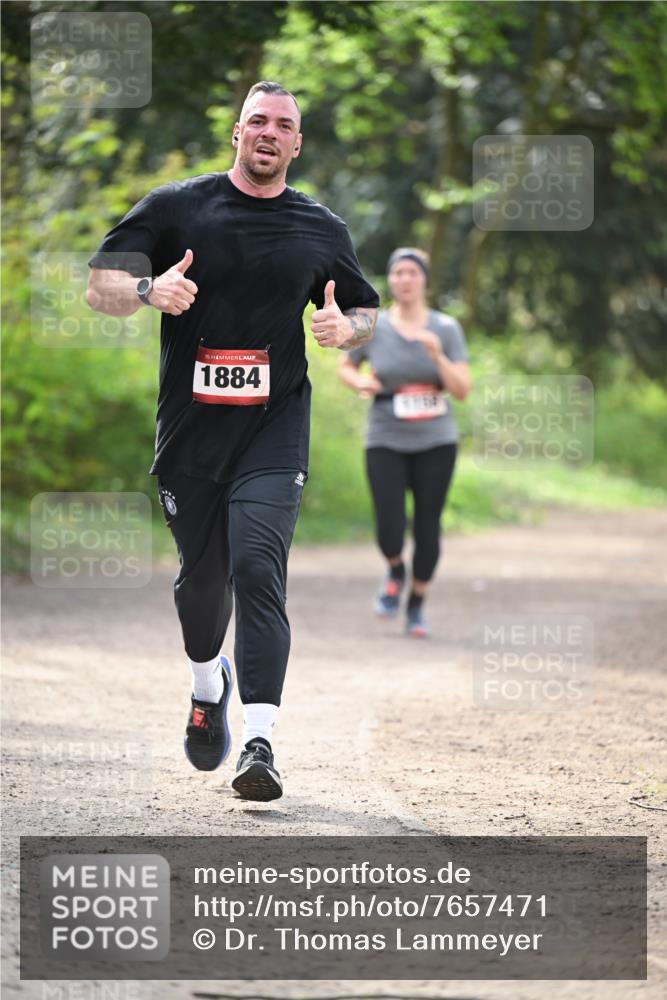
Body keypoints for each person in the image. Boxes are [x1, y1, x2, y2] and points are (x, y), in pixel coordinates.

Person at [86, 81, 379, 801]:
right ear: (236, 133)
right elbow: (100, 287)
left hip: (274, 427)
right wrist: (149, 291)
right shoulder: (176, 206)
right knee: (201, 582)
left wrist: (349, 330)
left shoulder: (319, 228)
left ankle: (260, 742)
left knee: (256, 566)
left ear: (297, 143)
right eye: (257, 122)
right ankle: (204, 681)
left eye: (283, 125)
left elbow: (364, 308)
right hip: (191, 431)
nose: (269, 134)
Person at [338, 247, 469, 638]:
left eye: (412, 273)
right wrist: (360, 381)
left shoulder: (445, 329)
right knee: (389, 525)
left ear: (425, 280)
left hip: (436, 439)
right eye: (398, 273)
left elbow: (461, 389)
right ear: (390, 280)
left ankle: (416, 606)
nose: (405, 280)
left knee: (428, 527)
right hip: (385, 435)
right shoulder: (373, 326)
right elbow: (346, 366)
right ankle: (396, 567)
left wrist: (437, 356)